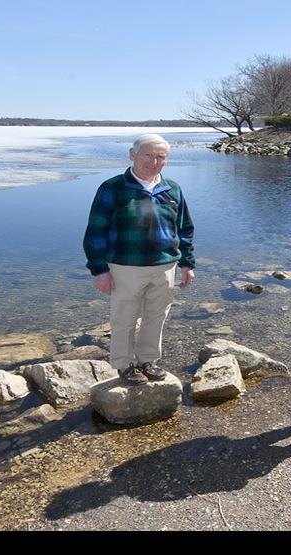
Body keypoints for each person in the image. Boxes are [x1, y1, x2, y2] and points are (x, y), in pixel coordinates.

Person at [83, 134, 195, 384]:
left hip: (165, 265)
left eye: (160, 157)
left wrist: (187, 263)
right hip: (125, 266)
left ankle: (148, 360)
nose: (154, 161)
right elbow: (95, 231)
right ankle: (124, 365)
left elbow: (184, 228)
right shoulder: (113, 188)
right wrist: (99, 269)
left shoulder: (172, 189)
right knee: (124, 318)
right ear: (132, 154)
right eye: (148, 155)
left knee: (157, 315)